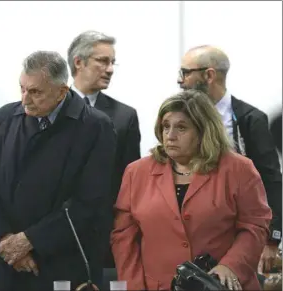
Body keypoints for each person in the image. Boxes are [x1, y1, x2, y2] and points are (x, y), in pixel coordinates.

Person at [0, 50, 116, 291]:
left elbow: (89, 203)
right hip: (6, 263)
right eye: (22, 88)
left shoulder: (95, 127)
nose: (25, 99)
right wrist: (5, 240)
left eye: (35, 92)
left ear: (62, 91)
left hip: (61, 263)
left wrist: (30, 241)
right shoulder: (4, 119)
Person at [111, 89, 272, 291]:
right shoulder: (137, 172)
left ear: (203, 131)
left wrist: (231, 266)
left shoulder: (238, 169)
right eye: (165, 126)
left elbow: (255, 226)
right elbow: (124, 237)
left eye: (181, 128)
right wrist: (133, 286)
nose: (170, 135)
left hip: (220, 284)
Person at [178, 45, 282, 273]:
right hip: (192, 230)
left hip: (239, 232)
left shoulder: (250, 120)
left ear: (209, 75)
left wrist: (273, 239)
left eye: (186, 73)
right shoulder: (179, 118)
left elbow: (272, 179)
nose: (180, 81)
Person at [67, 30, 141, 268]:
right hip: (56, 230)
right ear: (79, 62)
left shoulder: (124, 116)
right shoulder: (50, 109)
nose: (110, 69)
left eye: (112, 63)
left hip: (105, 232)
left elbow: (130, 182)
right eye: (102, 61)